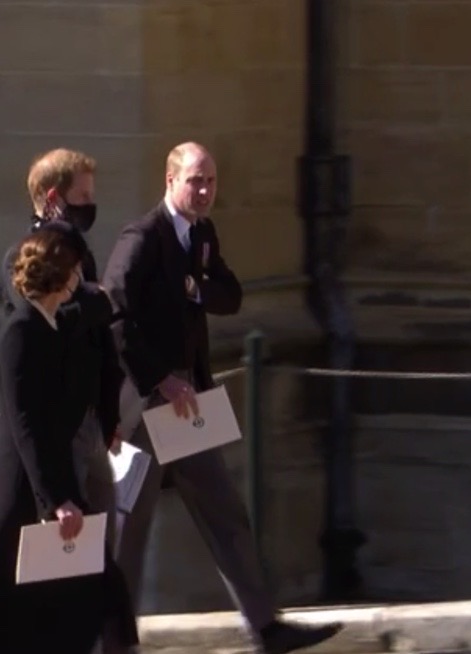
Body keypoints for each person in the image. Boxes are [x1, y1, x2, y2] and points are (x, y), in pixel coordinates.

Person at [102, 142, 342, 654]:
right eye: (195, 181)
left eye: (211, 181)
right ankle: (113, 642)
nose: (205, 190)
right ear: (169, 180)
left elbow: (230, 296)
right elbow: (113, 316)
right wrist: (159, 378)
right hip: (147, 402)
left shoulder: (203, 235)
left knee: (225, 512)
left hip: (190, 401)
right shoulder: (142, 237)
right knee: (129, 528)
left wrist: (195, 288)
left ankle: (265, 627)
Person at [0, 229, 138, 654]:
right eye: (76, 271)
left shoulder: (50, 327)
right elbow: (26, 427)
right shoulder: (20, 333)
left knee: (97, 591)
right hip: (21, 493)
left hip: (55, 482)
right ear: (63, 276)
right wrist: (57, 500)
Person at [1, 148, 124, 547]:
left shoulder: (79, 256)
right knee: (70, 540)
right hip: (61, 422)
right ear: (55, 198)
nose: (90, 207)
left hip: (90, 417)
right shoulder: (21, 258)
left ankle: (107, 609)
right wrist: (92, 302)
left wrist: (110, 411)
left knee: (103, 532)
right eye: (83, 198)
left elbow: (99, 329)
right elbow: (52, 319)